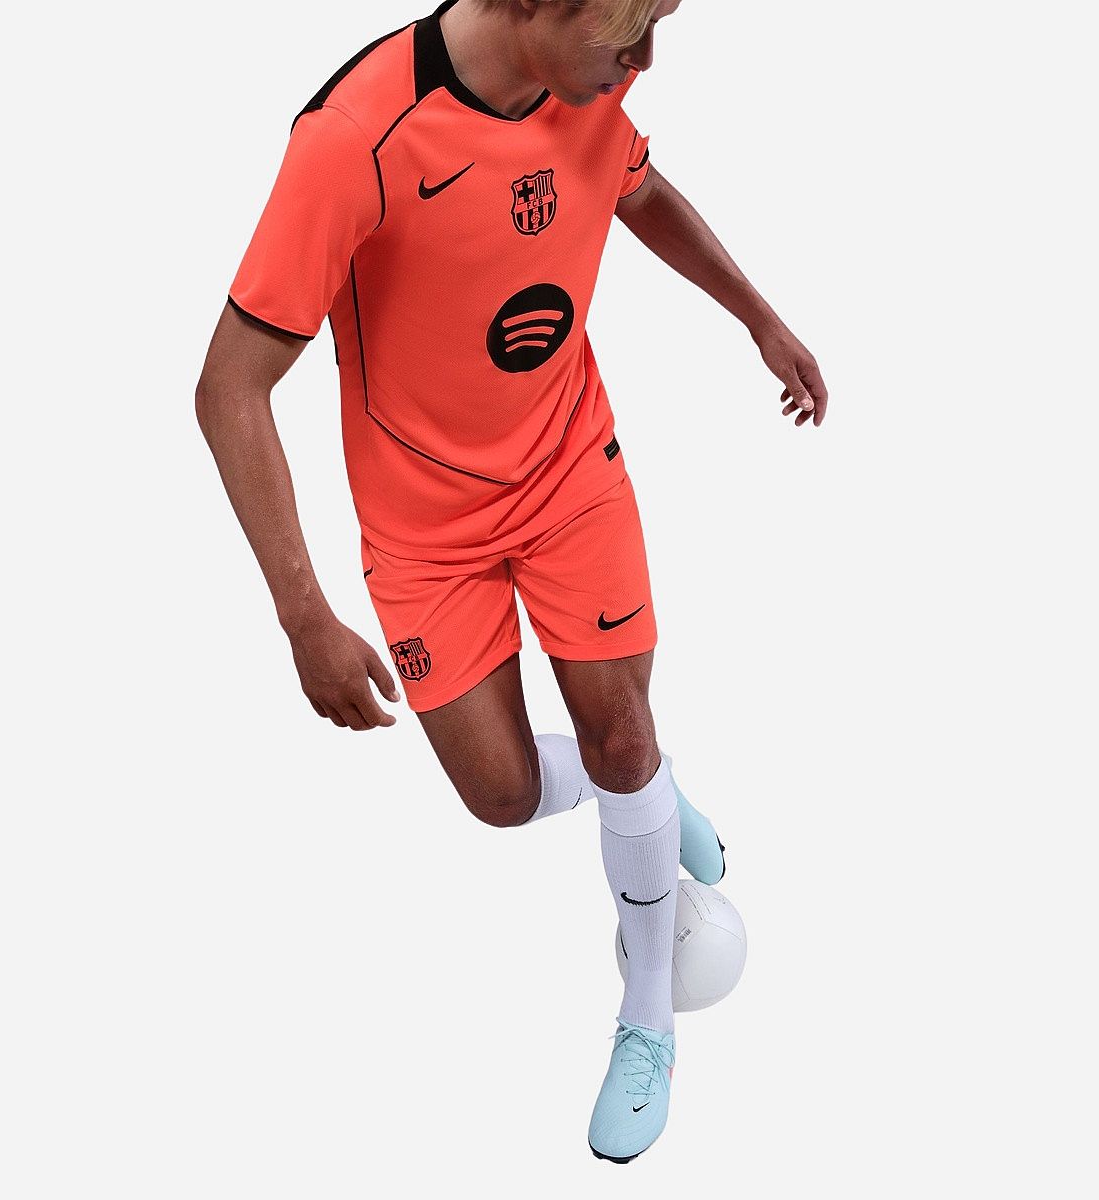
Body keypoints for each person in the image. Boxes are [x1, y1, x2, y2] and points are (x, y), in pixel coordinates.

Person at [196, 0, 827, 1163]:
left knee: (620, 732)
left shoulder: (593, 79)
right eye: (630, 32)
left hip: (568, 470)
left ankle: (648, 1013)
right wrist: (303, 615)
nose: (645, 63)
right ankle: (649, 796)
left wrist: (759, 318)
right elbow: (229, 387)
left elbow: (639, 191)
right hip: (423, 527)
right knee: (498, 794)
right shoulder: (357, 138)